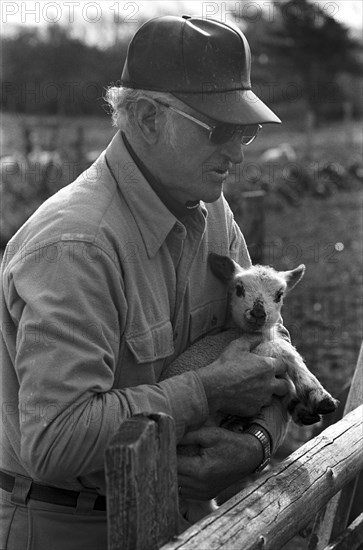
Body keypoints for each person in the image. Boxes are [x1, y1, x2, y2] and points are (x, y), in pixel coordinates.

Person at [0, 15, 290, 550]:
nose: (239, 152)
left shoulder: (211, 210)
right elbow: (55, 442)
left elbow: (271, 342)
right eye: (221, 129)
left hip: (182, 515)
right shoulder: (76, 246)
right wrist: (205, 390)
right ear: (146, 118)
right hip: (76, 524)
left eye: (245, 130)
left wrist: (257, 440)